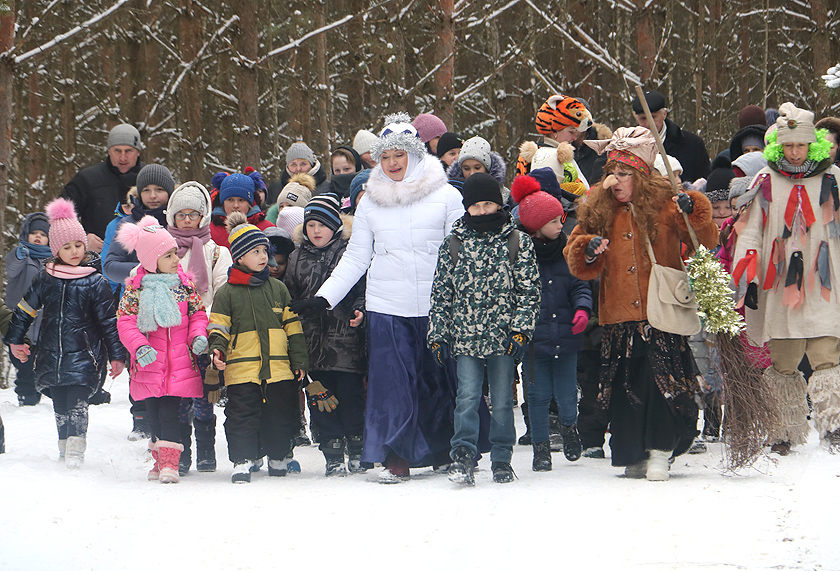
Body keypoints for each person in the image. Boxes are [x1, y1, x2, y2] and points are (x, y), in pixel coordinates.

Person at [291, 112, 464, 483]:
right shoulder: (371, 202)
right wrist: (325, 298)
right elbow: (356, 256)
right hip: (388, 305)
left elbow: (461, 252)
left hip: (438, 305)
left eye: (399, 155)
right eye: (385, 157)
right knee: (393, 384)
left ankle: (443, 449)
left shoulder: (448, 195)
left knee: (437, 379)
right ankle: (396, 456)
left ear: (415, 154)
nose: (393, 163)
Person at [564, 126, 718, 481]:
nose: (615, 181)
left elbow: (706, 242)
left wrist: (693, 210)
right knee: (624, 386)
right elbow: (574, 255)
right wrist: (588, 248)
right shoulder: (597, 209)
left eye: (624, 174)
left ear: (642, 175)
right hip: (619, 317)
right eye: (611, 173)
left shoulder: (667, 203)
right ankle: (633, 452)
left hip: (660, 311)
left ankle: (662, 451)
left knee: (660, 382)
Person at [732, 102, 840, 455]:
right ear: (779, 145)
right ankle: (782, 429)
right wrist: (746, 273)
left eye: (802, 145)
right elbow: (750, 231)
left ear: (814, 145)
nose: (795, 153)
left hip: (823, 281)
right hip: (779, 284)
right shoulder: (765, 181)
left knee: (827, 353)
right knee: (783, 358)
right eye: (789, 145)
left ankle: (834, 425)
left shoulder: (833, 178)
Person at [428, 173, 541, 485]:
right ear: (467, 208)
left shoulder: (517, 242)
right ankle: (463, 453)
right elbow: (441, 293)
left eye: (488, 204)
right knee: (466, 396)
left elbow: (528, 291)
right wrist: (438, 334)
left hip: (502, 339)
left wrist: (520, 330)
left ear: (499, 204)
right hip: (464, 338)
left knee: (503, 400)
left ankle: (502, 457)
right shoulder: (453, 243)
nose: (481, 211)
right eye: (475, 205)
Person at [7, 198, 126, 469]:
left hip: (86, 354)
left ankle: (76, 448)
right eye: (67, 247)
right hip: (51, 351)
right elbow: (25, 309)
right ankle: (64, 444)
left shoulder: (95, 281)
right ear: (55, 249)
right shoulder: (46, 277)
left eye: (78, 245)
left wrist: (117, 355)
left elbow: (109, 321)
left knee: (77, 400)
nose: (74, 252)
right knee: (60, 401)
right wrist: (15, 339)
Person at [208, 213, 309, 483]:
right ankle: (243, 458)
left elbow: (293, 329)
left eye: (265, 250)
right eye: (256, 251)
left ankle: (278, 456)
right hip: (242, 369)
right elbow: (218, 327)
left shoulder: (278, 289)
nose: (264, 256)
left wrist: (299, 361)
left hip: (278, 368)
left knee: (279, 414)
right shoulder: (227, 293)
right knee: (242, 417)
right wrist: (217, 350)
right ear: (239, 257)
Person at [115, 216, 209, 483]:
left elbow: (197, 315)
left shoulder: (183, 286)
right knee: (153, 414)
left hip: (178, 362)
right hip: (149, 363)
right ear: (150, 260)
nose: (176, 260)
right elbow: (125, 322)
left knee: (170, 413)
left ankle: (170, 464)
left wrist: (198, 336)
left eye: (175, 254)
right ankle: (158, 460)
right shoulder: (136, 290)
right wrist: (139, 346)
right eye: (167, 256)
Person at [512, 173, 592, 470]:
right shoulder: (521, 256)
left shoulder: (566, 250)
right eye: (556, 220)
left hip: (568, 337)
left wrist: (582, 310)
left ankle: (570, 428)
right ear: (536, 226)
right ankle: (541, 448)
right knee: (538, 396)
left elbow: (580, 285)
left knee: (568, 396)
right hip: (535, 343)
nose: (562, 224)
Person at [284, 194, 368, 476]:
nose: (316, 231)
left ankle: (357, 448)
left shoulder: (349, 252)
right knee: (321, 402)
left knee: (351, 399)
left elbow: (362, 289)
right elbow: (291, 294)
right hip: (312, 346)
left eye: (322, 224)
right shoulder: (297, 257)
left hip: (346, 345)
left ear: (335, 225)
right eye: (311, 225)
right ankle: (332, 452)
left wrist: (359, 310)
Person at [166, 182, 234, 475]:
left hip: (205, 332)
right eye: (180, 215)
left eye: (193, 214)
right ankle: (182, 452)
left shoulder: (215, 252)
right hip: (173, 334)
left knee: (205, 394)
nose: (186, 220)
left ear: (203, 216)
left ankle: (206, 449)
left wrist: (204, 320)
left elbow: (221, 291)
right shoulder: (165, 249)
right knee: (180, 395)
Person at [104, 163, 176, 441]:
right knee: (141, 359)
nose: (153, 195)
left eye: (160, 189)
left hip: (174, 304)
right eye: (146, 190)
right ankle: (141, 415)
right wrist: (140, 272)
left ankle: (173, 413)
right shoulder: (128, 225)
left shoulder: (176, 222)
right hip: (137, 304)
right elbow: (109, 266)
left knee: (170, 358)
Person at [61, 124, 145, 252]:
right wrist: (81, 240)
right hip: (97, 261)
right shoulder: (87, 179)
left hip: (145, 260)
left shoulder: (153, 178)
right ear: (109, 151)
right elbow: (59, 219)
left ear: (138, 152)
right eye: (117, 150)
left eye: (128, 151)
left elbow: (174, 217)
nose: (123, 157)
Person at [5, 212, 51, 406]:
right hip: (20, 325)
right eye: (34, 233)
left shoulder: (53, 260)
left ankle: (43, 395)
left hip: (43, 326)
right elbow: (11, 267)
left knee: (41, 365)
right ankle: (27, 399)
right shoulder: (21, 256)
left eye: (42, 233)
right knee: (23, 364)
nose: (38, 237)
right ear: (26, 235)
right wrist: (19, 254)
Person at [631, 90, 710, 182]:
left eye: (653, 117)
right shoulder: (628, 147)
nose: (648, 124)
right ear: (636, 118)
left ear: (664, 114)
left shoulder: (693, 144)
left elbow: (704, 185)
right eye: (643, 118)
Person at [516, 94, 593, 178]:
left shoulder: (529, 156)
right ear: (554, 131)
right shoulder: (556, 157)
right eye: (571, 132)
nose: (574, 138)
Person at [209, 172, 275, 250]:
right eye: (230, 200)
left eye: (241, 200)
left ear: (250, 203)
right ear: (222, 202)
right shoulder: (210, 231)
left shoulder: (266, 228)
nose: (236, 205)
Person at [447, 136, 510, 201]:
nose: (472, 173)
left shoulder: (505, 197)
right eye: (466, 169)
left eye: (477, 168)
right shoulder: (451, 194)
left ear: (487, 169)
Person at [267, 142, 331, 204]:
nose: (298, 169)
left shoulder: (328, 187)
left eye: (303, 164)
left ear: (311, 164)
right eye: (293, 164)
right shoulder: (276, 188)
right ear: (287, 166)